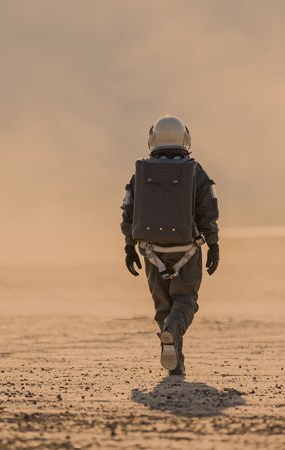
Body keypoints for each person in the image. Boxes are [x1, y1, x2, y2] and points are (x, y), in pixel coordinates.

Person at [120, 115, 220, 376]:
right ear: (185, 138)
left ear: (152, 138)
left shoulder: (141, 172)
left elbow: (128, 210)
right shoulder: (195, 170)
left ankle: (175, 361)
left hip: (151, 251)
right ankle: (172, 334)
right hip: (186, 250)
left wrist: (129, 246)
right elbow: (208, 211)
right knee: (185, 300)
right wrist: (213, 245)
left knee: (163, 306)